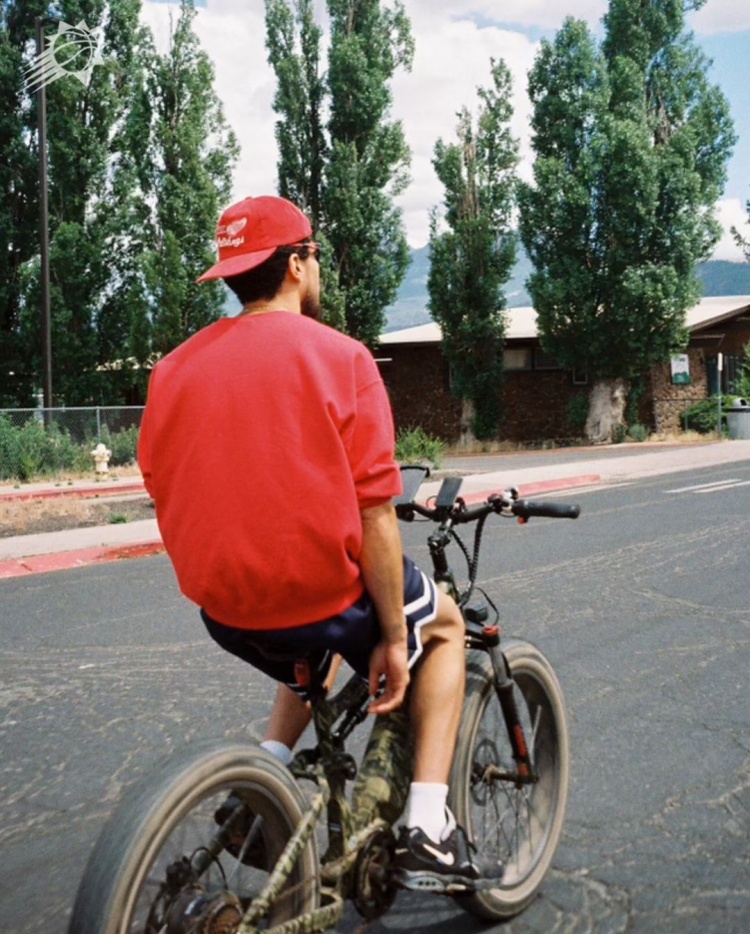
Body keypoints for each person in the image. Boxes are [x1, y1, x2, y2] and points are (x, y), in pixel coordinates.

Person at [137, 195, 501, 891]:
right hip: (318, 600)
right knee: (443, 625)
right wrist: (396, 636)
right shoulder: (344, 358)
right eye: (313, 257)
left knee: (312, 633)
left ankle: (266, 772)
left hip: (223, 611)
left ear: (234, 276)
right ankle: (428, 822)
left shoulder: (173, 369)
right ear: (300, 264)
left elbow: (162, 477)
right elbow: (375, 515)